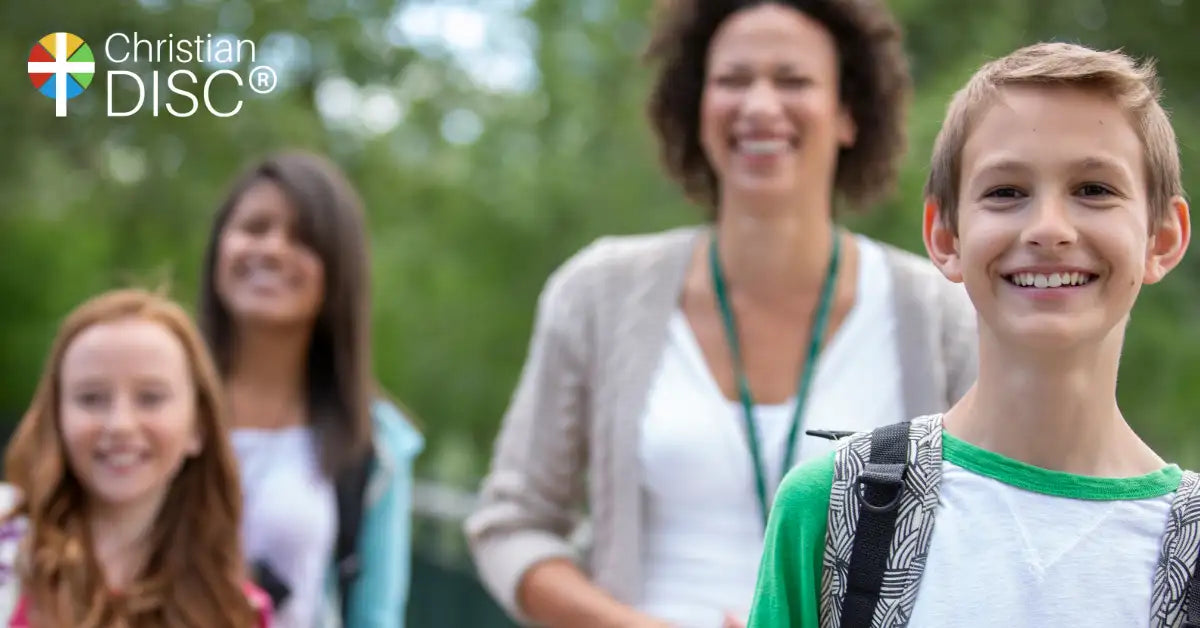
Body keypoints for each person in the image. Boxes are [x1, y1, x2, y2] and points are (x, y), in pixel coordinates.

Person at [464, 1, 978, 626]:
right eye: (732, 80)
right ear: (696, 107)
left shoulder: (940, 313)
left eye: (792, 80)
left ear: (848, 112)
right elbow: (511, 526)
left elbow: (994, 530)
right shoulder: (597, 292)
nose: (759, 105)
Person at [747, 42, 1194, 627]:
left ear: (1162, 238)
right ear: (944, 236)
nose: (1049, 229)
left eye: (1094, 190)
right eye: (1006, 192)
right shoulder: (837, 510)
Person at [198, 151, 424, 628]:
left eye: (303, 239)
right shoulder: (146, 405)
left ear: (338, 271)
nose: (273, 250)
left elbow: (375, 616)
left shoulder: (375, 444)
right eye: (255, 227)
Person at [0, 288, 272, 626]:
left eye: (150, 398)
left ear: (198, 426)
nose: (120, 425)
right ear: (56, 419)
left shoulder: (237, 610)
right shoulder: (10, 564)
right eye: (92, 398)